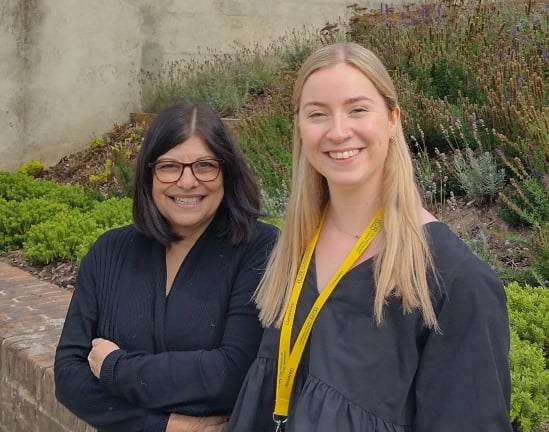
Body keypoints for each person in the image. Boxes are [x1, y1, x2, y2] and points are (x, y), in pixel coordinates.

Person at [227, 42, 512, 432]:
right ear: (299, 126)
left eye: (358, 109)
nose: (338, 132)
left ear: (393, 119)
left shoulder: (454, 281)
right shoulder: (291, 248)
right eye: (317, 114)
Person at [54, 101, 279, 432]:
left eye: (204, 165)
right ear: (149, 174)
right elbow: (69, 376)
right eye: (169, 166)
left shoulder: (260, 250)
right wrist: (165, 425)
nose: (187, 182)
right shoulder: (109, 252)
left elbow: (231, 374)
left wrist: (115, 368)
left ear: (226, 172)